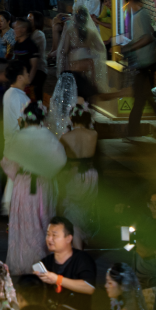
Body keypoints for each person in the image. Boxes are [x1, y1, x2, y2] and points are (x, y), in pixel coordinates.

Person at [3, 105, 67, 277]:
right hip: (43, 184)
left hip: (24, 184)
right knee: (43, 223)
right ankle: (42, 264)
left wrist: (17, 174)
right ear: (42, 119)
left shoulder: (18, 137)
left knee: (25, 224)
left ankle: (24, 264)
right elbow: (61, 160)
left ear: (25, 119)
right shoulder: (48, 136)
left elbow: (7, 162)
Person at [58, 98, 99, 248]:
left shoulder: (65, 137)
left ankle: (77, 242)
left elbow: (62, 159)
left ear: (71, 118)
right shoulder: (93, 134)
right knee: (86, 207)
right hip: (90, 174)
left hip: (73, 174)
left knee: (72, 208)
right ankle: (82, 238)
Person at [120, 0, 156, 137]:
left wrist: (130, 48)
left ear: (131, 1)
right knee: (143, 98)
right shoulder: (140, 15)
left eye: (127, 4)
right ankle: (134, 129)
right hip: (143, 63)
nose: (126, 7)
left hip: (144, 63)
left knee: (140, 98)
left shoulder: (141, 15)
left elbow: (147, 37)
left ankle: (132, 130)